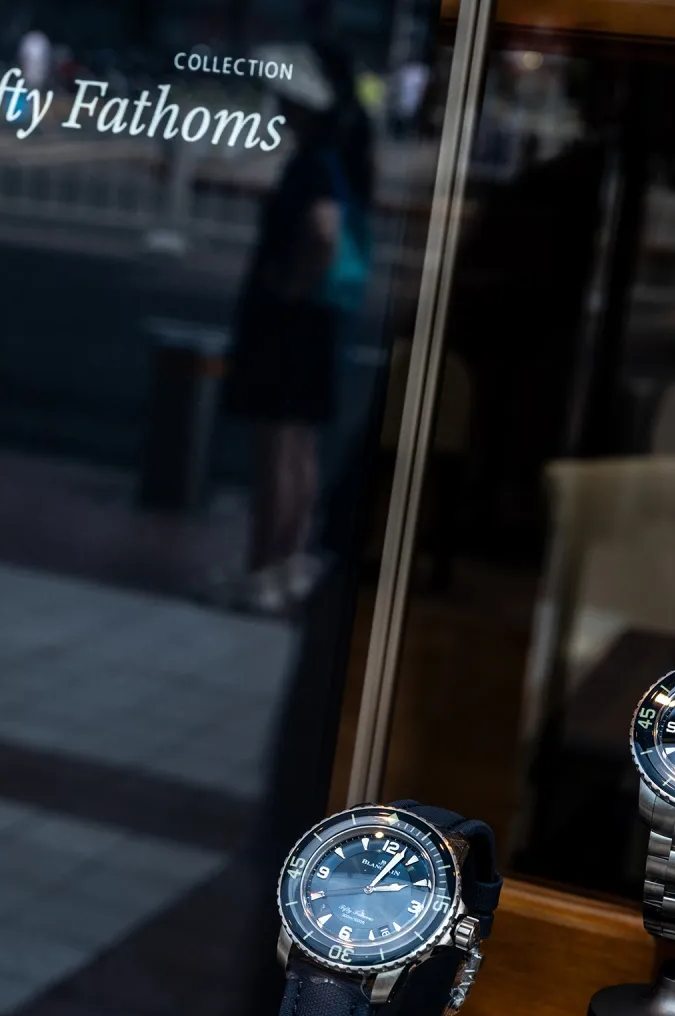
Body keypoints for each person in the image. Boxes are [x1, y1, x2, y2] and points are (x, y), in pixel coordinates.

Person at [221, 41, 374, 614]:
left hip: (290, 321)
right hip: (322, 320)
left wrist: (290, 282)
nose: (280, 103)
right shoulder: (343, 157)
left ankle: (262, 568)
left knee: (277, 448)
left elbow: (322, 231)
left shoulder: (312, 164)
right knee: (301, 446)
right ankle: (285, 566)